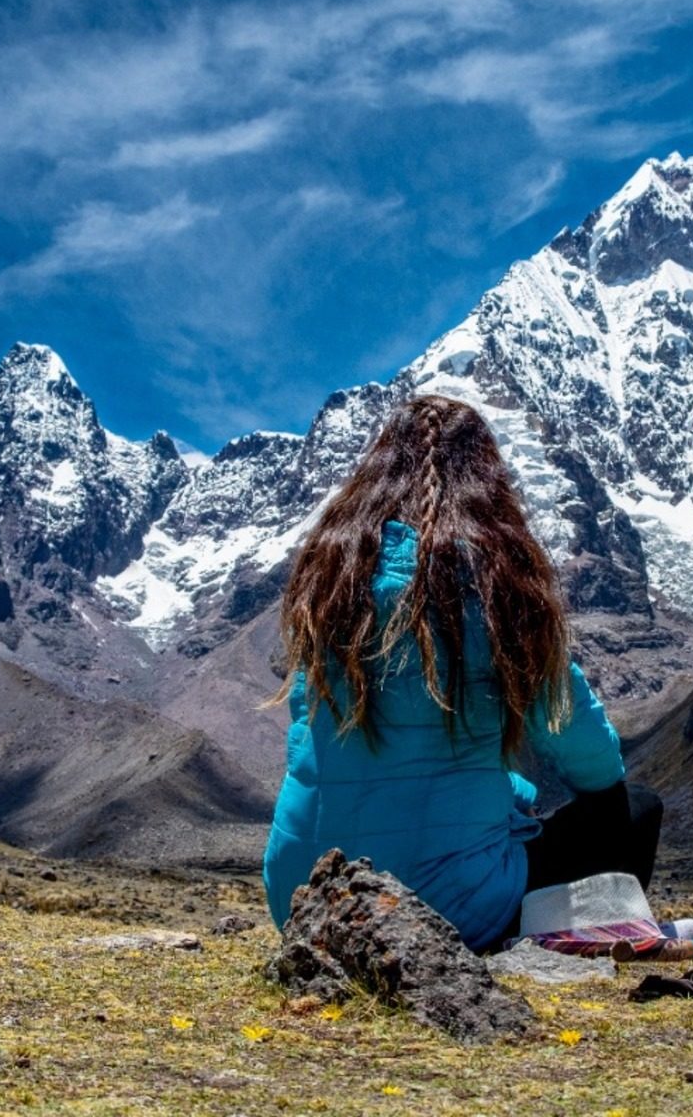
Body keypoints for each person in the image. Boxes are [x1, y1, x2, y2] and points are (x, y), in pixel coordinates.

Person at [261, 394, 662, 951]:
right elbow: (591, 759)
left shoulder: (332, 583)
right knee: (632, 807)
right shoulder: (499, 586)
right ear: (487, 477)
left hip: (307, 902)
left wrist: (507, 794)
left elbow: (343, 755)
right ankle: (581, 940)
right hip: (447, 915)